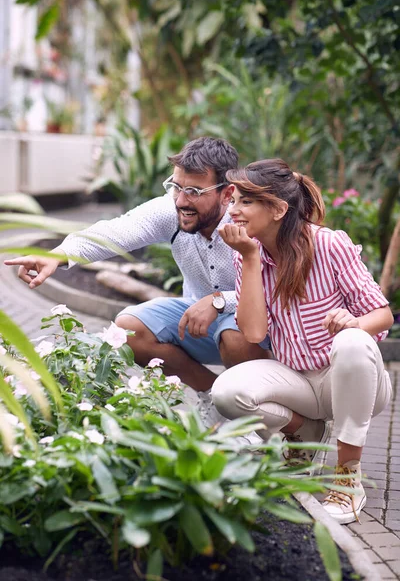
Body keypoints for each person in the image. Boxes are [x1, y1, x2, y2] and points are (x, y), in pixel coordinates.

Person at [5, 137, 271, 419]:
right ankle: (215, 399)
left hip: (254, 330)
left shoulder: (249, 219)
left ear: (227, 193)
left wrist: (218, 301)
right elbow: (118, 231)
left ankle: (254, 417)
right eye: (177, 187)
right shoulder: (172, 210)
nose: (181, 200)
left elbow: (275, 290)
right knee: (128, 328)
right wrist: (57, 255)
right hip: (197, 322)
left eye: (193, 191)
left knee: (234, 334)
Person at [211, 158, 393, 524]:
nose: (233, 210)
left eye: (245, 201)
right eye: (234, 201)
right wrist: (249, 258)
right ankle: (304, 431)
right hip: (297, 380)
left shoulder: (328, 245)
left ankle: (347, 477)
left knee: (353, 342)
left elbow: (383, 315)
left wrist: (354, 322)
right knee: (227, 393)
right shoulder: (246, 254)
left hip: (350, 378)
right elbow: (254, 334)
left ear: (278, 209)